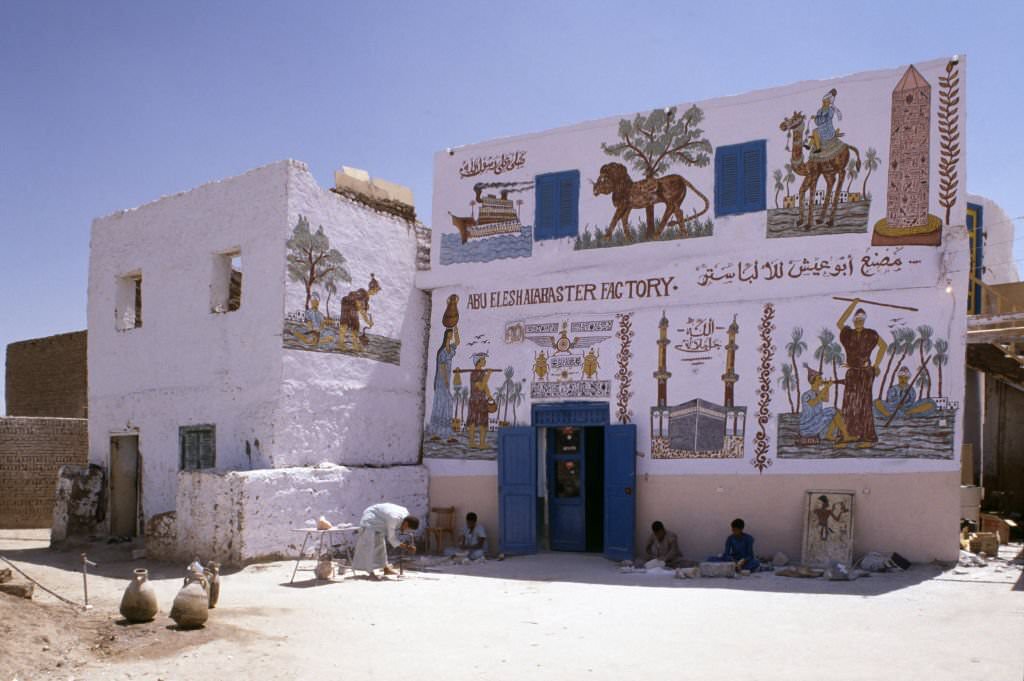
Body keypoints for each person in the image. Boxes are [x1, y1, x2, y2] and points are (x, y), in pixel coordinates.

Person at [836, 300, 887, 447]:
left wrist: (876, 365)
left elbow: (883, 346)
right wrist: (853, 303)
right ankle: (848, 435)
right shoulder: (848, 334)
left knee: (864, 404)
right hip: (852, 373)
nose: (859, 322)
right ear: (854, 320)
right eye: (857, 319)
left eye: (861, 320)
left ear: (864, 321)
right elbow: (839, 323)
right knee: (849, 404)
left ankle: (867, 437)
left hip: (865, 373)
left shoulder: (871, 334)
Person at [351, 503, 419, 580]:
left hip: (380, 522)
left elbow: (398, 526)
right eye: (407, 528)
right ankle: (370, 572)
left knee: (381, 547)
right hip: (370, 519)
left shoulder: (406, 515)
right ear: (406, 523)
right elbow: (391, 538)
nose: (406, 530)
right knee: (369, 548)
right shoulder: (394, 518)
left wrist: (402, 529)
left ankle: (386, 569)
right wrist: (406, 547)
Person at [799, 368, 855, 447]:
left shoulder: (818, 392)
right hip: (808, 425)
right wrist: (826, 388)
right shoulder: (806, 395)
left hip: (817, 419)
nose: (822, 380)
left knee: (836, 411)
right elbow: (813, 403)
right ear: (813, 381)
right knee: (833, 411)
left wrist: (827, 387)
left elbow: (826, 399)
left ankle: (829, 434)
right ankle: (845, 436)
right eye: (819, 378)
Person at [427, 326, 460, 438]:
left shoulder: (450, 349)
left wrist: (455, 328)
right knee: (444, 403)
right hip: (441, 381)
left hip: (446, 380)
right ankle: (437, 431)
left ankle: (442, 431)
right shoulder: (442, 352)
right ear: (446, 336)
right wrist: (446, 380)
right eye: (449, 335)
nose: (451, 337)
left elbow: (458, 342)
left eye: (451, 335)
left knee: (444, 403)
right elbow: (441, 367)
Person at [338, 273, 381, 352]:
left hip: (351, 308)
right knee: (346, 323)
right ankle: (341, 343)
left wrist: (368, 321)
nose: (376, 293)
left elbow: (362, 311)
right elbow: (360, 308)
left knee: (355, 325)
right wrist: (368, 321)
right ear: (373, 289)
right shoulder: (363, 292)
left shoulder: (366, 299)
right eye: (376, 290)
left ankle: (354, 344)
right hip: (348, 305)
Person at [809, 88, 842, 154]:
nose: (823, 103)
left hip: (828, 130)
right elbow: (817, 122)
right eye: (823, 102)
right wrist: (816, 118)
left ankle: (818, 148)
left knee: (815, 131)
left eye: (825, 102)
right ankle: (809, 145)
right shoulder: (819, 111)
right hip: (821, 128)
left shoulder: (830, 111)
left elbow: (825, 119)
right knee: (814, 131)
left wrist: (816, 117)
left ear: (829, 102)